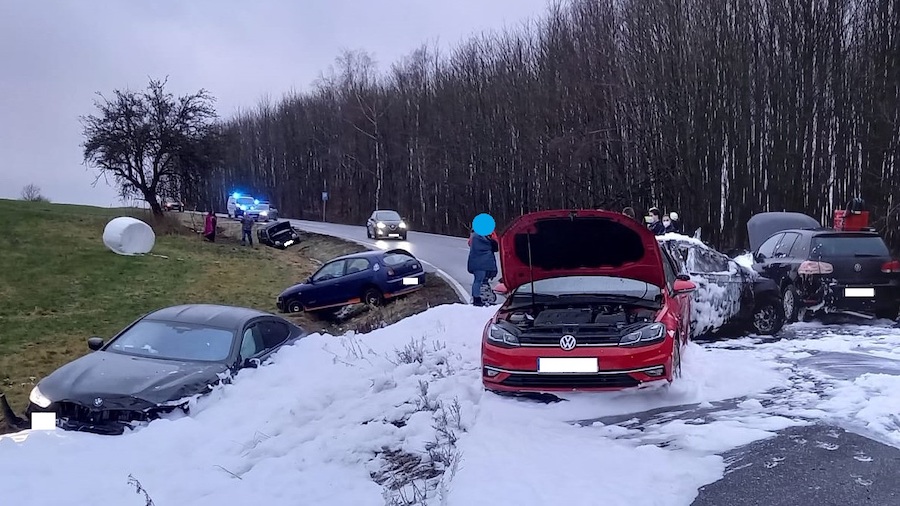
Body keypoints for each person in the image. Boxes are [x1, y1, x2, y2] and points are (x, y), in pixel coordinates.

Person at [467, 228, 499, 306]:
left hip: (477, 262)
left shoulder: (474, 236)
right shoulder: (483, 237)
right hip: (482, 263)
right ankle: (478, 298)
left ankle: (479, 297)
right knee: (479, 281)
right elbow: (495, 245)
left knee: (480, 280)